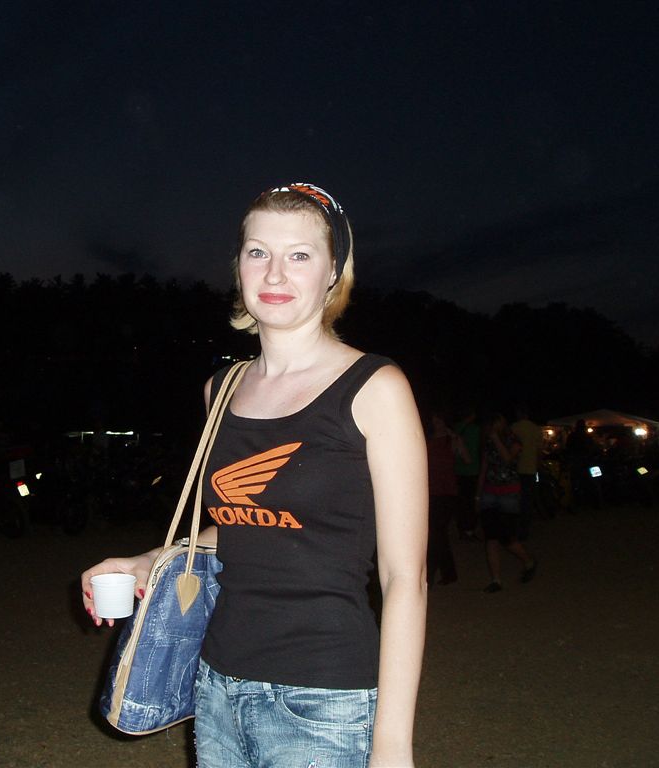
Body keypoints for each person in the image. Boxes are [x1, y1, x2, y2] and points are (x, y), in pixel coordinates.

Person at [81, 182, 428, 767]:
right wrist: (151, 560)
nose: (274, 273)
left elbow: (405, 579)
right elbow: (249, 523)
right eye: (258, 252)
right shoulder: (221, 389)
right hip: (217, 685)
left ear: (333, 272)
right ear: (238, 265)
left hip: (324, 698)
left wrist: (392, 746)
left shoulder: (376, 388)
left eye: (300, 255)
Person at [477, 411, 537, 593]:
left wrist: (496, 439)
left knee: (507, 537)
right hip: (490, 492)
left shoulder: (514, 441)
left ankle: (529, 561)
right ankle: (496, 580)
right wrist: (478, 494)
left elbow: (508, 459)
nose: (492, 428)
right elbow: (484, 468)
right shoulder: (487, 442)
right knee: (491, 537)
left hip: (508, 493)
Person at [425, 409, 468, 585]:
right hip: (430, 491)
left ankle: (430, 575)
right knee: (437, 534)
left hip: (447, 491)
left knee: (437, 533)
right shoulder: (428, 440)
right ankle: (449, 574)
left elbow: (467, 459)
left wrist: (456, 439)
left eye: (439, 421)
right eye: (434, 421)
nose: (437, 424)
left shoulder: (452, 440)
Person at [511, 404, 543, 538]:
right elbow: (539, 451)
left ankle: (515, 526)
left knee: (515, 498)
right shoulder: (536, 429)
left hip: (515, 468)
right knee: (527, 499)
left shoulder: (513, 427)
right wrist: (538, 466)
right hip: (530, 469)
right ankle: (524, 528)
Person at [452, 406, 481, 541]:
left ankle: (461, 529)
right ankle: (469, 530)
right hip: (472, 470)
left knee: (461, 502)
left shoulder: (456, 428)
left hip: (458, 470)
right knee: (470, 502)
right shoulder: (476, 429)